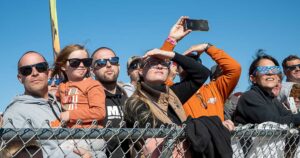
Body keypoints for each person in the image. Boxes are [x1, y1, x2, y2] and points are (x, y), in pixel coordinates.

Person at [124, 48, 210, 157]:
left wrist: (171, 55)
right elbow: (162, 132)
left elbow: (202, 73)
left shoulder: (173, 94)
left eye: (164, 63)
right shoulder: (135, 103)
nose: (159, 66)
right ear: (141, 71)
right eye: (152, 63)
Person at [2, 51, 81, 157]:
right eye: (26, 70)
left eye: (40, 67)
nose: (34, 73)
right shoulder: (15, 113)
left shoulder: (60, 104)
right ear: (20, 78)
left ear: (48, 72)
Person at [51, 44, 106, 157]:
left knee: (57, 153)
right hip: (72, 135)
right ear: (63, 66)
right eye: (75, 62)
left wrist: (70, 115)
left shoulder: (93, 85)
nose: (81, 65)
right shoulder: (62, 87)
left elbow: (99, 112)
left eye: (86, 62)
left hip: (91, 135)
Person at [233, 52, 300, 125]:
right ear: (253, 78)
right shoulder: (249, 97)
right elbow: (271, 122)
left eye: (274, 69)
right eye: (264, 69)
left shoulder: (273, 100)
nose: (270, 73)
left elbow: (290, 116)